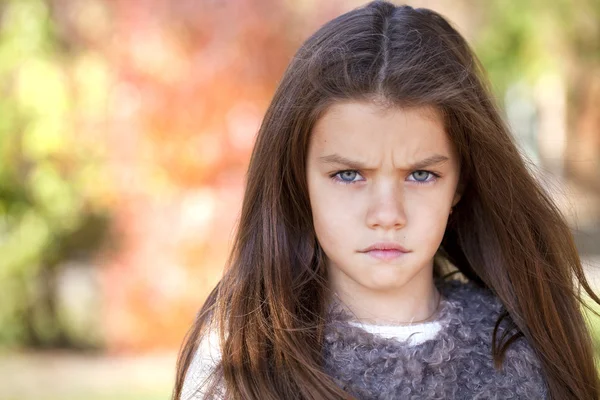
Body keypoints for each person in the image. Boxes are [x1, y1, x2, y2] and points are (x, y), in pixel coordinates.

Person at [172, 1, 600, 399]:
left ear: (461, 183)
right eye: (348, 175)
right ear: (298, 181)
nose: (387, 215)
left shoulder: (523, 357)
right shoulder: (237, 365)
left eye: (420, 175)